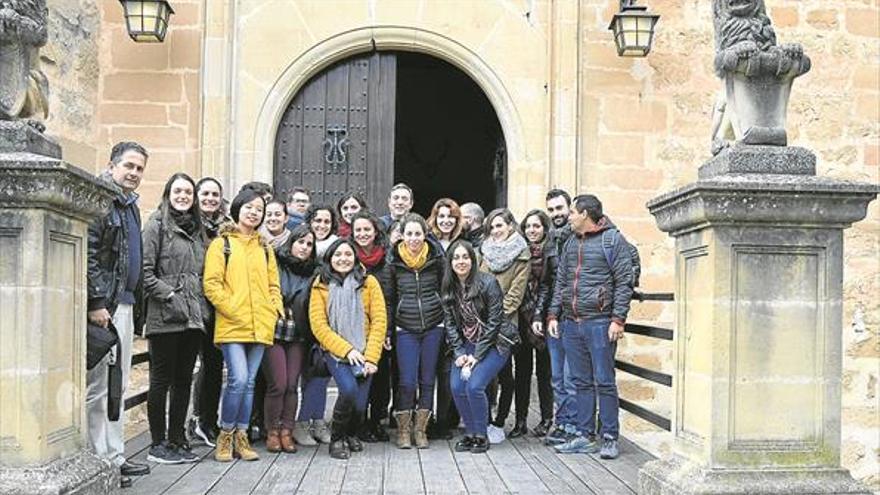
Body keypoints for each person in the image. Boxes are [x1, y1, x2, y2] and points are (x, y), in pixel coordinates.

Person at [547, 194, 633, 459]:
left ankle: (609, 436)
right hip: (571, 323)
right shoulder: (571, 241)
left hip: (599, 323)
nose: (569, 217)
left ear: (584, 214)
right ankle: (584, 435)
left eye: (572, 212)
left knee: (604, 381)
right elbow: (561, 280)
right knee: (581, 381)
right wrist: (553, 314)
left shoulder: (612, 240)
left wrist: (618, 319)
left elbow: (625, 280)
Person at [86, 141, 150, 488]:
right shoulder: (100, 200)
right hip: (105, 308)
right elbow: (91, 252)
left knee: (118, 384)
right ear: (112, 165)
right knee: (99, 386)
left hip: (124, 305)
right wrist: (97, 302)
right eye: (129, 166)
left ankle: (115, 455)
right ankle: (100, 459)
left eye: (140, 168)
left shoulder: (130, 206)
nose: (134, 173)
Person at [203, 189, 284, 462]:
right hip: (232, 324)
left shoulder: (264, 247)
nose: (254, 212)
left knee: (249, 382)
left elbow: (274, 285)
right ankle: (225, 434)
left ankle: (242, 435)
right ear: (238, 209)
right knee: (237, 379)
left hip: (261, 323)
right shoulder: (221, 244)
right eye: (249, 207)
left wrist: (275, 309)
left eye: (259, 209)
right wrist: (234, 309)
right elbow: (212, 285)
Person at [142, 173, 207, 464]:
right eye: (178, 191)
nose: (183, 196)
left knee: (183, 380)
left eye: (188, 193)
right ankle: (158, 443)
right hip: (165, 315)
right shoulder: (156, 224)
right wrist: (170, 296)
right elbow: (144, 273)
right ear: (168, 193)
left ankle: (178, 439)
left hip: (192, 317)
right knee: (160, 380)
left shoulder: (198, 231)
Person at [308, 238, 387, 459]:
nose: (343, 259)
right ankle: (337, 439)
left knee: (360, 403)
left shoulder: (369, 282)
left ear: (355, 258)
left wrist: (371, 358)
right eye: (338, 255)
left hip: (364, 349)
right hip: (335, 351)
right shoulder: (320, 284)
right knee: (349, 390)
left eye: (348, 255)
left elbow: (379, 320)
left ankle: (352, 434)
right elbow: (319, 325)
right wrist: (347, 350)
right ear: (330, 259)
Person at [441, 240, 512, 454]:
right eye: (456, 258)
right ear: (450, 262)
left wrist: (477, 356)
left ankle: (481, 435)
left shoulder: (488, 283)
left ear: (473, 260)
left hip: (494, 344)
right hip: (466, 344)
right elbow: (451, 324)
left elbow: (494, 323)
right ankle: (470, 433)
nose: (461, 262)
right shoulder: (448, 286)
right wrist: (459, 352)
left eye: (465, 257)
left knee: (474, 386)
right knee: (456, 386)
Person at [388, 213, 446, 449]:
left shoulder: (436, 259)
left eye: (418, 234)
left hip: (433, 325)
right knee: (407, 381)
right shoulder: (393, 262)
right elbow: (389, 299)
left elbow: (446, 291)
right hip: (405, 327)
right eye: (409, 233)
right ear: (402, 235)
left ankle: (421, 429)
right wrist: (389, 332)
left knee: (428, 379)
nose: (413, 239)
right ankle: (403, 429)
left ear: (425, 235)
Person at [263, 224, 317, 453]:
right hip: (274, 331)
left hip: (298, 335)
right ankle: (272, 431)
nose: (304, 247)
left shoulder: (315, 272)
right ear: (291, 242)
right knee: (279, 384)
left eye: (309, 244)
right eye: (300, 242)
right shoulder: (275, 263)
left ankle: (287, 431)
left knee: (293, 385)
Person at [479, 208, 530, 435]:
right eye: (492, 226)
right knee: (485, 372)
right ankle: (486, 418)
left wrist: (495, 316)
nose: (495, 230)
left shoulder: (522, 254)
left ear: (510, 226)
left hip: (505, 322)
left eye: (499, 225)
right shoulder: (484, 251)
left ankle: (500, 421)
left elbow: (515, 295)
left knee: (504, 373)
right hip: (481, 320)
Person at [291, 204, 338, 446]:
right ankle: (299, 423)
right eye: (317, 221)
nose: (321, 225)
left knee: (319, 375)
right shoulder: (298, 250)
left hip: (321, 325)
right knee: (296, 379)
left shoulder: (335, 254)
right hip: (297, 326)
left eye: (327, 222)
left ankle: (318, 422)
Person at [187, 177, 229, 448]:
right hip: (191, 303)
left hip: (218, 306)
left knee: (214, 366)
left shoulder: (226, 230)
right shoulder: (188, 225)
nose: (211, 198)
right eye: (206, 193)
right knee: (190, 365)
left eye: (215, 194)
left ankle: (208, 420)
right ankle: (191, 420)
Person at [538, 188, 578, 446]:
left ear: (569, 207)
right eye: (551, 210)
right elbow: (546, 282)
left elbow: (628, 257)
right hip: (555, 316)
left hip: (576, 317)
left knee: (571, 377)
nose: (556, 214)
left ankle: (574, 427)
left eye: (560, 208)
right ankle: (562, 424)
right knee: (557, 377)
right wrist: (542, 314)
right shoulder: (550, 240)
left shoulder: (583, 234)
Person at [350, 211, 395, 442]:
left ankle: (376, 421)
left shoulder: (387, 260)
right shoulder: (346, 257)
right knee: (359, 376)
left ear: (375, 231)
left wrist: (387, 331)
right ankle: (357, 422)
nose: (362, 234)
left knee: (380, 378)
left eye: (367, 229)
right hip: (354, 327)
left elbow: (390, 298)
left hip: (380, 326)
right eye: (358, 230)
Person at [511, 210, 555, 437]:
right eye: (528, 226)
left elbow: (549, 285)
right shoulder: (519, 252)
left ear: (544, 229)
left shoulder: (551, 252)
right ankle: (520, 420)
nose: (531, 231)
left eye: (536, 226)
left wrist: (540, 314)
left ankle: (547, 419)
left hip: (543, 319)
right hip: (521, 319)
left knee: (545, 372)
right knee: (522, 372)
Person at [426, 198, 465, 439]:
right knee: (429, 369)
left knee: (448, 368)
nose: (445, 221)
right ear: (434, 218)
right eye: (441, 216)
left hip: (457, 312)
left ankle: (447, 419)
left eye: (450, 217)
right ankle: (426, 418)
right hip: (432, 312)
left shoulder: (463, 244)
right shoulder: (428, 243)